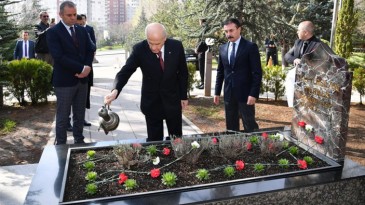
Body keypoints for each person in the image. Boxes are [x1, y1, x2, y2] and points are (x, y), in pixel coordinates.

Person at [104, 23, 188, 142]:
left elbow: (183, 73)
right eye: (150, 42)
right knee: (154, 142)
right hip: (152, 102)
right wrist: (115, 90)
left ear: (165, 38)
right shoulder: (139, 49)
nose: (153, 47)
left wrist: (183, 96)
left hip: (172, 100)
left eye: (157, 44)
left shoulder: (176, 46)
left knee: (176, 140)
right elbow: (125, 72)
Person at [47, 1, 95, 145]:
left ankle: (79, 141)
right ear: (61, 15)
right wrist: (81, 69)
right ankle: (61, 144)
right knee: (62, 116)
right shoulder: (53, 32)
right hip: (64, 82)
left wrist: (86, 67)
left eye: (75, 14)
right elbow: (59, 56)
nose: (73, 18)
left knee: (80, 114)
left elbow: (90, 49)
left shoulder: (82, 30)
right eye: (69, 15)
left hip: (82, 81)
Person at [213, 18, 262, 132]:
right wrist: (216, 92)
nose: (228, 34)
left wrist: (253, 94)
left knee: (249, 125)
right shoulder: (222, 48)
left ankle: (254, 148)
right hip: (229, 94)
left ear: (239, 29)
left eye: (231, 30)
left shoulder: (250, 47)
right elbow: (220, 72)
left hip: (246, 94)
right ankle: (234, 149)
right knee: (231, 127)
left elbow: (257, 73)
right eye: (226, 31)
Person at [284, 21, 322, 107]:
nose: (297, 32)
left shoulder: (319, 45)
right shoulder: (298, 42)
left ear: (305, 32)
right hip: (296, 81)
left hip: (311, 83)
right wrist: (295, 59)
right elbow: (287, 55)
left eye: (298, 30)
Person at [195, 19, 209, 89]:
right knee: (201, 68)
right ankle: (202, 82)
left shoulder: (205, 28)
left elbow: (203, 40)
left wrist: (197, 49)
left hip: (202, 51)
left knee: (202, 68)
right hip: (201, 51)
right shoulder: (204, 28)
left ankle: (203, 83)